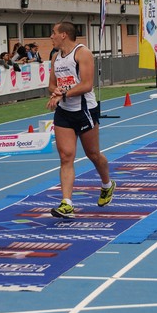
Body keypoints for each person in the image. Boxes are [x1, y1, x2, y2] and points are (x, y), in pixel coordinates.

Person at [47, 21, 116, 218]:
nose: (50, 36)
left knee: (93, 154)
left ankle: (107, 184)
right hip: (64, 112)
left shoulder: (82, 53)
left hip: (84, 110)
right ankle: (67, 203)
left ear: (64, 35)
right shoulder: (55, 57)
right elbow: (51, 85)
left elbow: (87, 84)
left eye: (53, 33)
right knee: (66, 156)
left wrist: (64, 94)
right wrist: (56, 92)